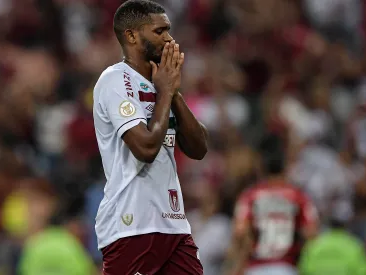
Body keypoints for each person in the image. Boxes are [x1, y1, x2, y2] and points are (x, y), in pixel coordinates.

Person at [92, 0, 208, 274]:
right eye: (160, 31)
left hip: (173, 224)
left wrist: (173, 92)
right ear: (131, 35)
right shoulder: (115, 80)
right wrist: (165, 92)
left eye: (169, 30)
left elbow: (199, 148)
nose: (169, 38)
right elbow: (145, 148)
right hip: (132, 224)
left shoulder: (162, 85)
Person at [232, 143, 319, 275]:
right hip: (286, 266)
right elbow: (311, 233)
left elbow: (240, 232)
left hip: (256, 267)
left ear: (263, 169)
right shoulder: (298, 196)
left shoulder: (250, 196)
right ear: (285, 168)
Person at [298, 204, 366, 275]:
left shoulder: (314, 245)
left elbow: (304, 269)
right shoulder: (354, 245)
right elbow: (365, 270)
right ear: (346, 223)